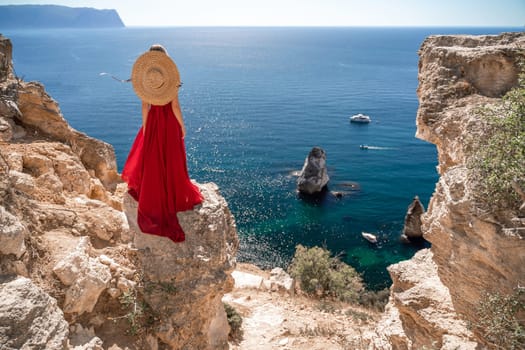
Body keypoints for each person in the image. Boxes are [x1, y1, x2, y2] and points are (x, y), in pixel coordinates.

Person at [122, 44, 203, 242]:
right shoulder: (170, 79)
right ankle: (172, 195)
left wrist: (146, 128)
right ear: (165, 61)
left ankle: (155, 192)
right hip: (169, 124)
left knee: (153, 161)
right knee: (172, 160)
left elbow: (144, 106)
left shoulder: (146, 81)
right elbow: (174, 105)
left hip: (154, 123)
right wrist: (182, 126)